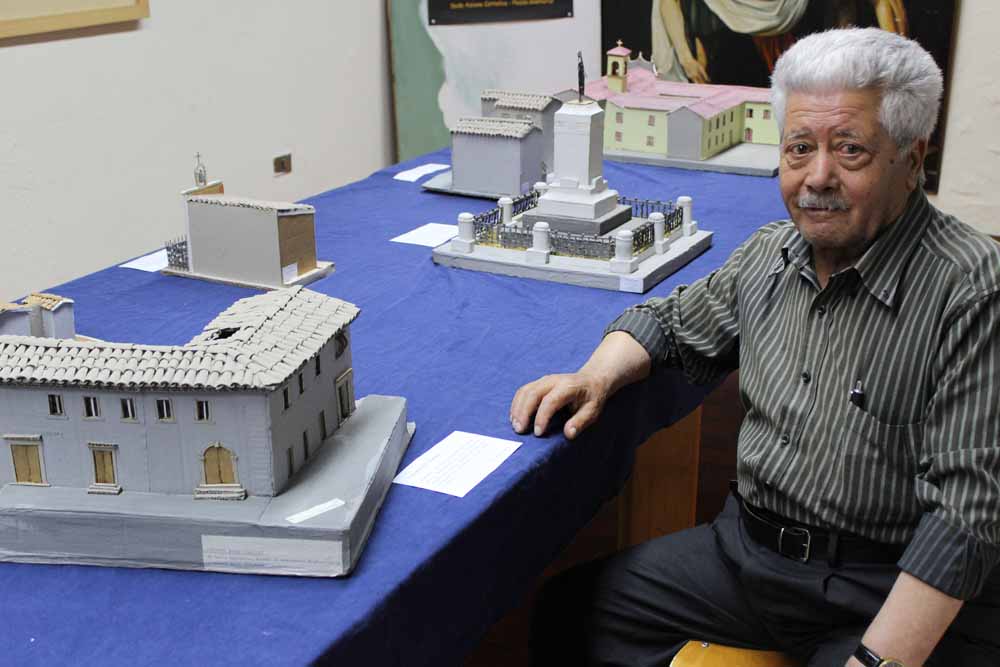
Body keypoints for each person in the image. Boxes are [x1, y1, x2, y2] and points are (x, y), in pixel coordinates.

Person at [511, 28, 1000, 667]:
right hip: (748, 555)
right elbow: (669, 323)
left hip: (883, 583)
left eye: (849, 149)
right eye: (799, 148)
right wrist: (596, 376)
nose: (816, 177)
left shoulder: (972, 287)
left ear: (913, 160)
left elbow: (966, 517)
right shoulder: (771, 254)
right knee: (568, 615)